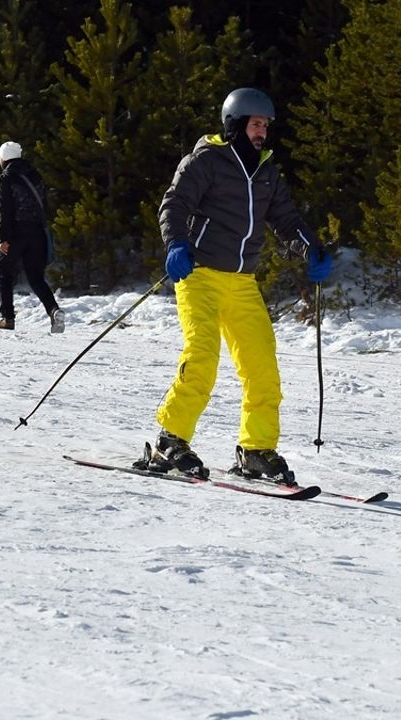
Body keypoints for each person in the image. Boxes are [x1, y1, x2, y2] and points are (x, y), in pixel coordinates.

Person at [138, 88, 333, 485]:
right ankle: (170, 440)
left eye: (265, 126)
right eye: (255, 124)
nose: (261, 132)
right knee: (203, 356)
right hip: (200, 275)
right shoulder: (207, 160)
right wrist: (176, 242)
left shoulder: (266, 170)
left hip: (242, 281)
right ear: (235, 124)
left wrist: (312, 247)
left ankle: (256, 450)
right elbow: (174, 203)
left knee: (262, 366)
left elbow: (286, 219)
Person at [0, 141, 63, 333]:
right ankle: (53, 310)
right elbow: (45, 205)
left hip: (16, 233)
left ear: (4, 158)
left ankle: (7, 318)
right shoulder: (36, 176)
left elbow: (4, 210)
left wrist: (2, 238)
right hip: (37, 232)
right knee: (36, 277)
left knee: (3, 270)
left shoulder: (5, 178)